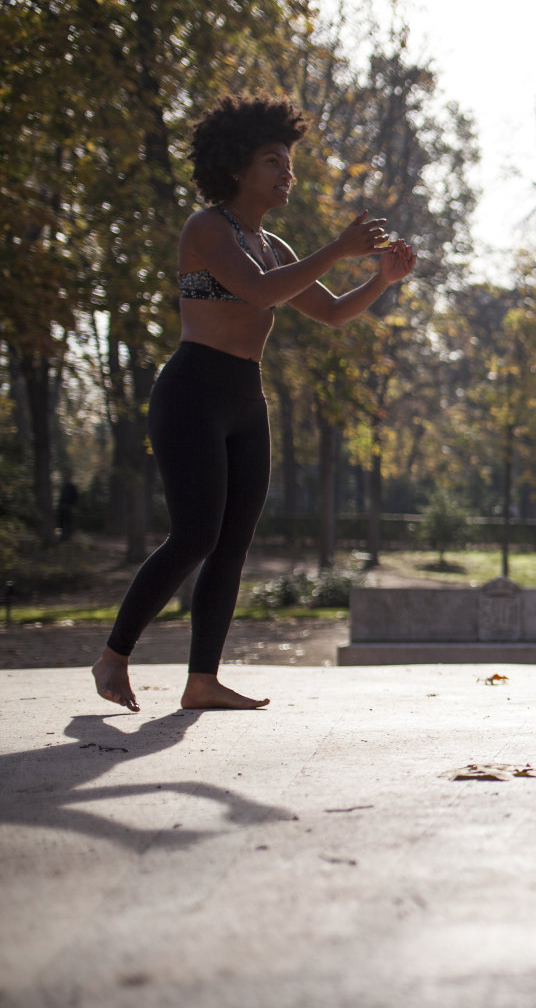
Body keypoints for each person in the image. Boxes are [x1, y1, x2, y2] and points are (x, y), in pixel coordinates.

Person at [91, 95, 417, 713]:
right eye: (273, 161)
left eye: (289, 162)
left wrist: (380, 279)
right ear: (237, 166)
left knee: (232, 543)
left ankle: (202, 681)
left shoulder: (271, 244)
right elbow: (259, 293)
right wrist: (338, 249)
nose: (286, 173)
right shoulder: (206, 228)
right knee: (194, 536)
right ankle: (113, 655)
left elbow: (331, 313)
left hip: (245, 397)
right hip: (192, 392)